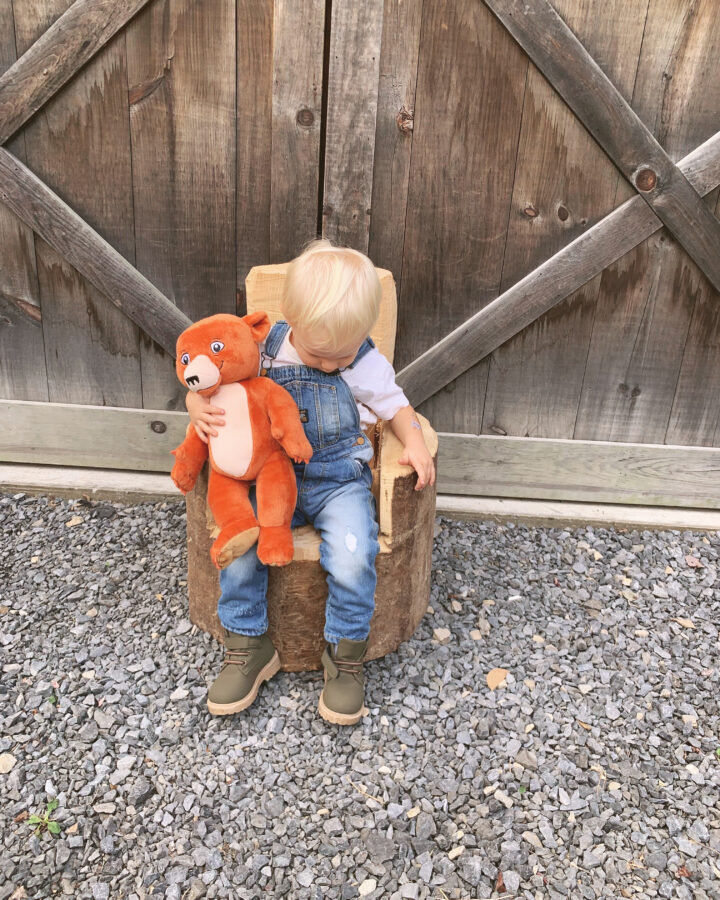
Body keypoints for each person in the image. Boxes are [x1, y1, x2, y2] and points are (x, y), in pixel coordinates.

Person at [186, 239, 435, 725]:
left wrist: (416, 441)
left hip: (338, 481)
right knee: (241, 547)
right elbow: (214, 379)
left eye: (340, 355)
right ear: (293, 321)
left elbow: (396, 407)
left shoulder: (361, 360)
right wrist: (196, 406)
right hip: (273, 478)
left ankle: (345, 656)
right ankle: (248, 644)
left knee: (352, 552)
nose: (329, 364)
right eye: (321, 354)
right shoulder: (265, 349)